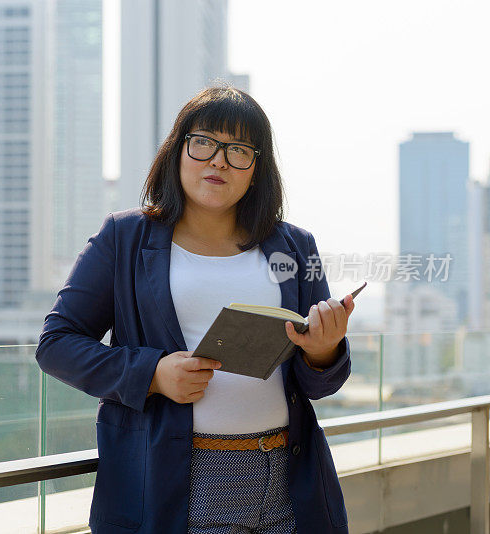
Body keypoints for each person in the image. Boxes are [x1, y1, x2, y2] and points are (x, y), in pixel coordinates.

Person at [36, 84, 354, 534]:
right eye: (204, 142)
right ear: (178, 150)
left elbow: (319, 384)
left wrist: (323, 351)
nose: (219, 160)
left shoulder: (296, 247)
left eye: (239, 149)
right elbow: (56, 345)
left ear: (256, 169)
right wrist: (154, 374)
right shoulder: (124, 238)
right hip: (178, 477)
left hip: (287, 473)